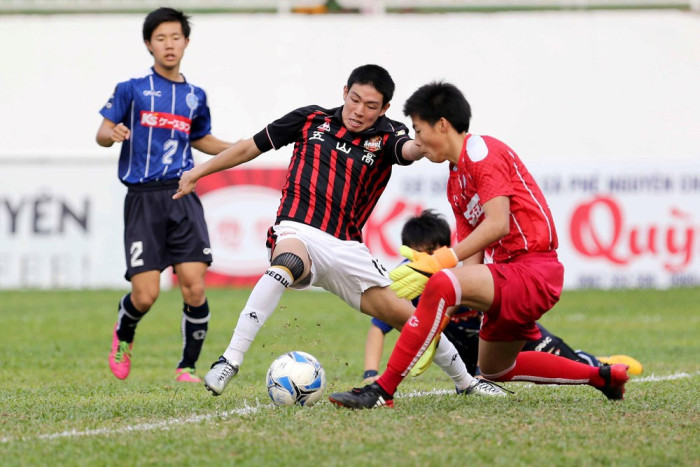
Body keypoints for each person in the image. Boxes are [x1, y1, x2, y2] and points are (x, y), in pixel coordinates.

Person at [173, 65, 503, 398]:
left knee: (410, 316)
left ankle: (466, 382)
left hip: (347, 249)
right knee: (285, 264)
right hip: (297, 230)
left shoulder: (389, 135)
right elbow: (249, 147)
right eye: (355, 99)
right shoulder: (310, 120)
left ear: (385, 108)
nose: (360, 111)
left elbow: (410, 150)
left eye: (371, 106)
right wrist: (200, 171)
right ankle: (230, 360)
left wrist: (429, 139)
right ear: (344, 91)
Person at [329, 81, 631, 409]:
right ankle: (603, 377)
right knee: (495, 369)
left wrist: (442, 263)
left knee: (443, 282)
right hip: (509, 276)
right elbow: (472, 262)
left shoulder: (482, 152)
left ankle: (382, 391)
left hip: (534, 270)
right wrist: (437, 317)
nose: (416, 141)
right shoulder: (455, 180)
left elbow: (498, 223)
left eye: (418, 130)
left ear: (442, 125)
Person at [96, 7, 234, 383]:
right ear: (148, 45)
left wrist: (241, 147)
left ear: (186, 42)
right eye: (161, 38)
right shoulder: (131, 89)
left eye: (175, 37)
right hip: (142, 199)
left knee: (194, 284)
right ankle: (124, 336)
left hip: (182, 192)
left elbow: (201, 138)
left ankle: (187, 367)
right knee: (145, 295)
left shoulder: (194, 95)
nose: (169, 44)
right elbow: (102, 133)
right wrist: (114, 133)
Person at [362, 210, 643, 385]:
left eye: (437, 251)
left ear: (448, 248)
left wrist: (446, 308)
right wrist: (369, 372)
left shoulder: (464, 270)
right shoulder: (405, 280)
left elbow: (487, 298)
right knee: (495, 377)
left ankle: (594, 362)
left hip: (509, 333)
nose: (430, 258)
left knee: (566, 364)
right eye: (421, 253)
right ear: (408, 252)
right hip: (476, 357)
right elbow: (378, 326)